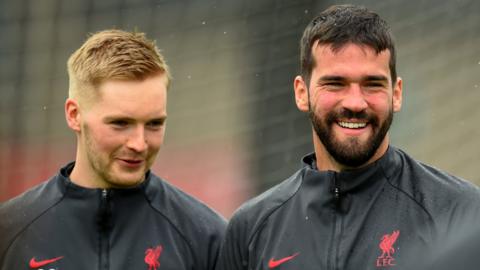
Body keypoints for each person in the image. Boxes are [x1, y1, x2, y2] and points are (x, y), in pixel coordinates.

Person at [215, 4, 480, 270]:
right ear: (301, 92)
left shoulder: (460, 213)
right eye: (335, 83)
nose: (355, 102)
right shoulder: (251, 229)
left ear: (396, 94)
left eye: (372, 84)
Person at [0, 29, 226, 270]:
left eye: (154, 124)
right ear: (74, 115)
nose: (139, 144)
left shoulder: (207, 237)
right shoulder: (10, 231)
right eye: (120, 123)